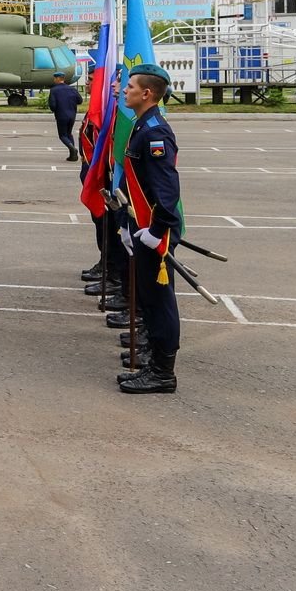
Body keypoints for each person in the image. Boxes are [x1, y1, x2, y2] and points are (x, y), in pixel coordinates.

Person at [115, 64, 185, 395]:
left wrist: (157, 230)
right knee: (150, 297)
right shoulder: (142, 124)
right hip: (143, 224)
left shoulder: (154, 132)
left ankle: (162, 372)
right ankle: (154, 357)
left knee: (159, 300)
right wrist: (130, 223)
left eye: (129, 86)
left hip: (157, 230)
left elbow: (166, 190)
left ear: (146, 93)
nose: (124, 91)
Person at [47, 71, 80, 162]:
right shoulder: (72, 89)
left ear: (57, 79)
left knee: (62, 135)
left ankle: (72, 149)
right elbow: (80, 100)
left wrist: (54, 109)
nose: (54, 80)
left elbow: (53, 105)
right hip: (72, 115)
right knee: (69, 133)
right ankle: (73, 155)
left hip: (61, 115)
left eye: (54, 78)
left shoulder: (54, 90)